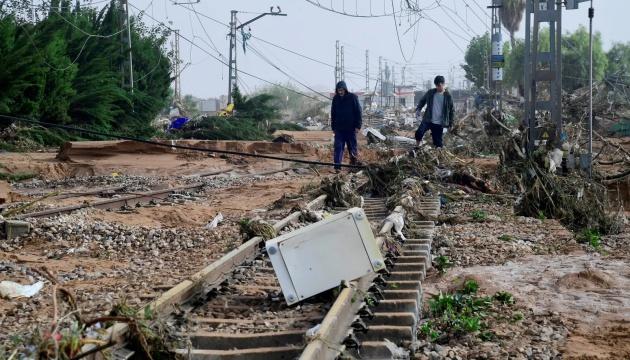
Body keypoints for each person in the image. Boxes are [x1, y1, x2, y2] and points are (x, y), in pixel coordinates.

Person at [414, 75, 455, 148]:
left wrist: (451, 124)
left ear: (443, 84)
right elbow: (422, 101)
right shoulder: (431, 93)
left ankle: (439, 153)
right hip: (428, 119)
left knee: (438, 143)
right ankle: (417, 147)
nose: (438, 87)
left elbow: (452, 111)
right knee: (419, 133)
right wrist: (418, 109)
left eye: (439, 85)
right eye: (436, 85)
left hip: (439, 123)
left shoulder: (448, 97)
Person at [331, 81, 362, 172]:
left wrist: (358, 126)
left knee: (352, 147)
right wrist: (333, 127)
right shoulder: (335, 99)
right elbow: (333, 113)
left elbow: (358, 112)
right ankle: (337, 167)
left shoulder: (352, 97)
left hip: (351, 128)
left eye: (341, 90)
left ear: (345, 89)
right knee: (338, 147)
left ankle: (353, 165)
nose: (340, 92)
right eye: (338, 90)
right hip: (339, 129)